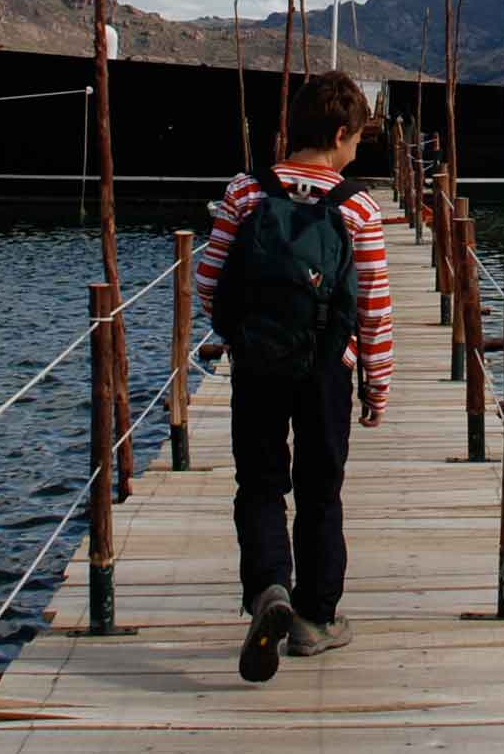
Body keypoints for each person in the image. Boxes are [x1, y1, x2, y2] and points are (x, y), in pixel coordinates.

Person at [194, 71, 392, 682]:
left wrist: (242, 333)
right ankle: (315, 620)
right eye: (358, 139)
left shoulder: (244, 192)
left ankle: (268, 592)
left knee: (258, 483)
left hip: (256, 364)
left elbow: (207, 282)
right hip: (327, 369)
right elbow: (375, 310)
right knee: (319, 490)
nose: (359, 149)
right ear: (339, 134)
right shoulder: (357, 206)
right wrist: (375, 384)